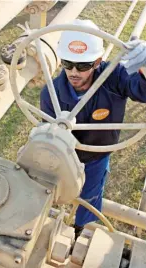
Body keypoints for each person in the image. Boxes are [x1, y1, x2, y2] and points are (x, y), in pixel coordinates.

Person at [40, 19, 146, 238]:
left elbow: (142, 90)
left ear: (98, 61)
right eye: (68, 64)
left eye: (83, 65)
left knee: (89, 200)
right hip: (62, 158)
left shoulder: (115, 78)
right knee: (46, 191)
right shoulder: (51, 93)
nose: (73, 72)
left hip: (96, 157)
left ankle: (83, 233)